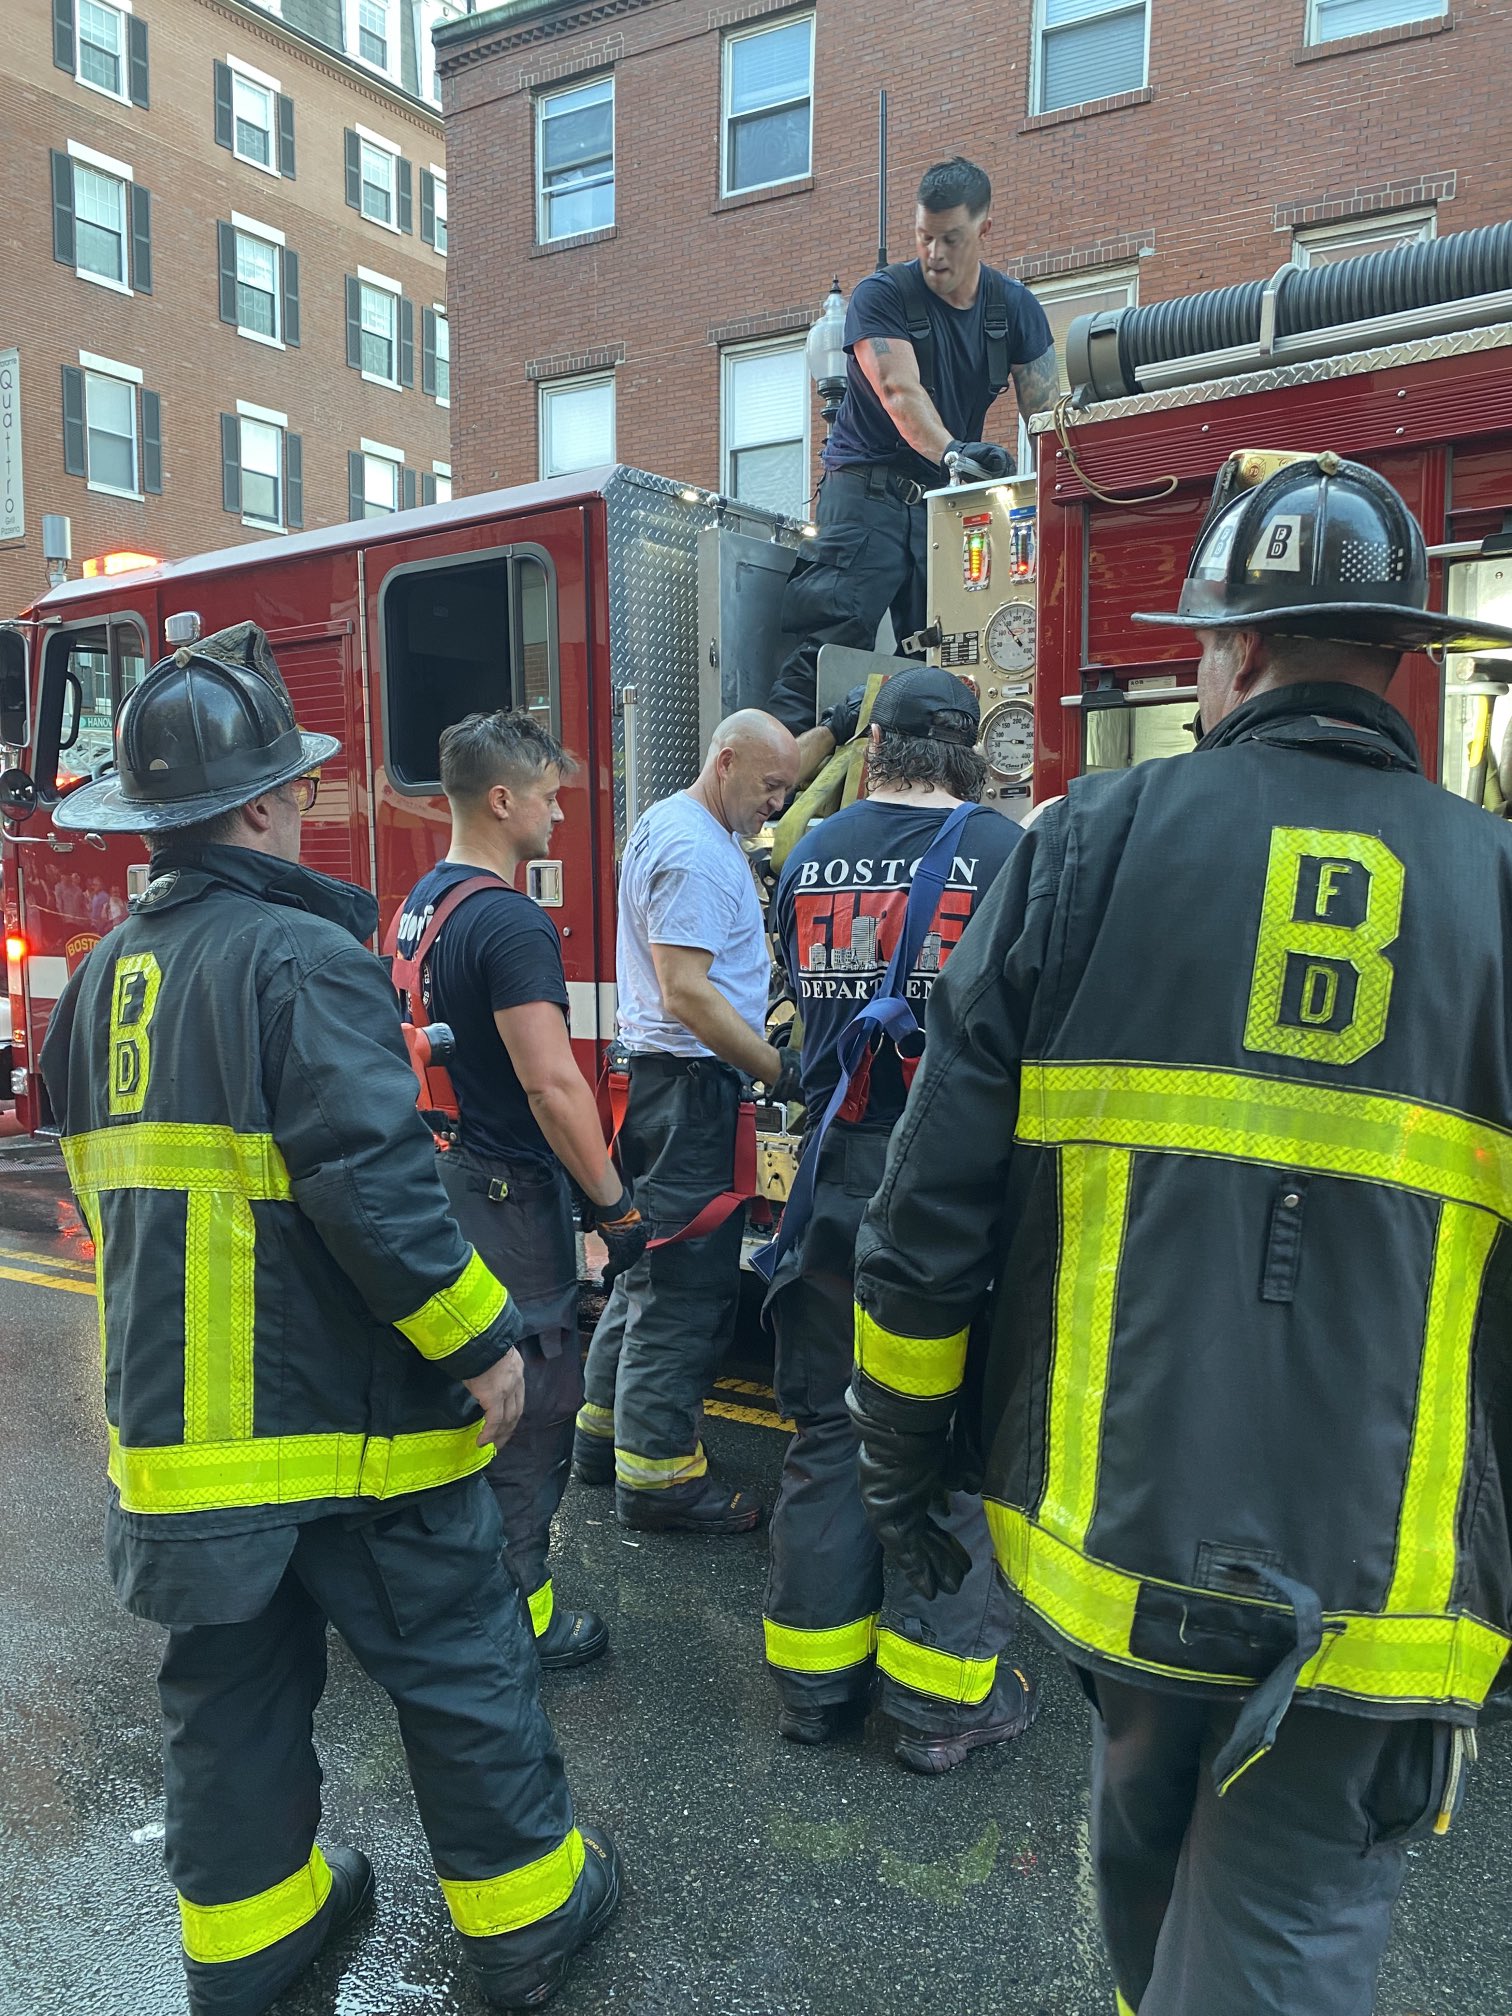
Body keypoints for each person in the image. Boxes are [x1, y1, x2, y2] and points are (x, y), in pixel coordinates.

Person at [847, 455, 1512, 2016]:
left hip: (1118, 1551)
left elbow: (926, 1215)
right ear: (1395, 657)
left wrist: (900, 1464)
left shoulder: (1084, 846)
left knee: (1148, 1893)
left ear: (1237, 648)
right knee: (1278, 1943)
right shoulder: (1499, 887)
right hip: (1382, 1597)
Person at [41, 624, 620, 2016]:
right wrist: (482, 1343)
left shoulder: (103, 977)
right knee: (460, 1658)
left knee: (228, 1699)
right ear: (258, 804)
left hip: (183, 1441)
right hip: (348, 1427)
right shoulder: (300, 957)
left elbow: (114, 1192)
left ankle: (251, 1941)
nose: (305, 805)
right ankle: (527, 1922)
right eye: (296, 786)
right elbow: (377, 1189)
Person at [762, 666, 1038, 1772]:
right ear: (971, 754)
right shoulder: (1007, 854)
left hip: (834, 1171)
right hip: (956, 1193)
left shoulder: (810, 851)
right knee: (951, 1430)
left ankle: (814, 1683)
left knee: (833, 1423)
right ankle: (936, 1702)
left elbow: (795, 992)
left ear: (872, 747)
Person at [394, 711, 646, 1672]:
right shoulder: (508, 920)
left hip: (443, 1176)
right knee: (530, 1406)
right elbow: (552, 1085)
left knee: (456, 1396)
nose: (559, 813)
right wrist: (614, 1204)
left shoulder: (422, 906)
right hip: (506, 1198)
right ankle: (515, 1621)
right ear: (501, 800)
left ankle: (442, 1597)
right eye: (547, 796)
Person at [573, 710, 802, 1531]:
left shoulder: (674, 821)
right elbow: (687, 993)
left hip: (660, 1086)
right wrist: (778, 1069)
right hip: (689, 1091)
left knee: (645, 1272)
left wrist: (829, 731)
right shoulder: (699, 854)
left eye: (789, 791)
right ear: (726, 761)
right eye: (770, 786)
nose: (778, 804)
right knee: (685, 1292)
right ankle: (661, 1478)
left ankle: (601, 1440)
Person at [768, 155, 1058, 781]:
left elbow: (1051, 422)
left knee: (946, 662)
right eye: (924, 236)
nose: (934, 253)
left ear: (985, 228)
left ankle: (928, 796)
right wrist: (958, 453)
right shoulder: (882, 297)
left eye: (950, 238)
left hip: (943, 511)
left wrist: (1045, 492)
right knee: (823, 654)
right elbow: (900, 393)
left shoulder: (1015, 310)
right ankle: (769, 804)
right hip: (862, 500)